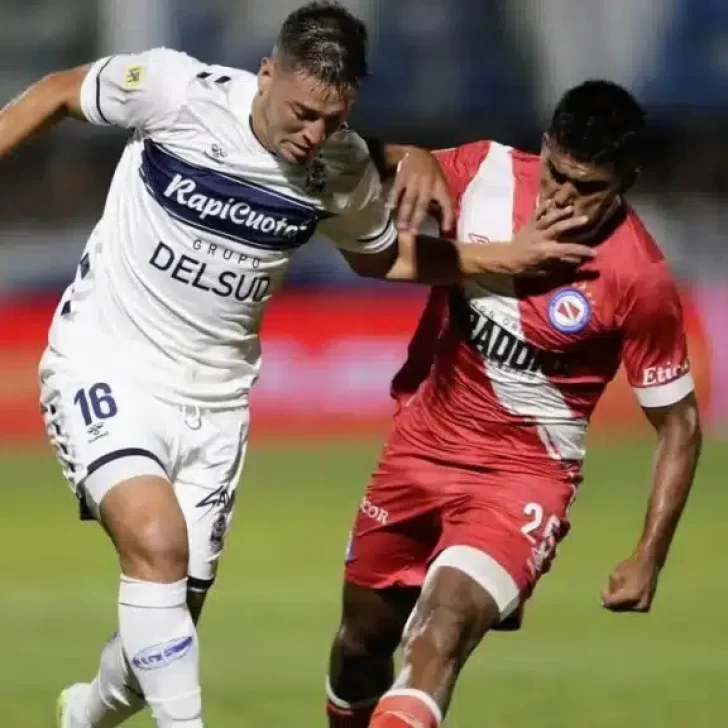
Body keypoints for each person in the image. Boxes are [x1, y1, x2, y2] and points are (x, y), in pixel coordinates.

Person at [0, 3, 595, 728]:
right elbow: (61, 89)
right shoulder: (174, 92)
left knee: (166, 619)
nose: (313, 135)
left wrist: (501, 257)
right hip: (106, 359)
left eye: (334, 119)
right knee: (155, 543)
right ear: (265, 75)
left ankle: (84, 714)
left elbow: (382, 257)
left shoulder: (335, 166)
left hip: (215, 403)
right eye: (303, 112)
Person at [325, 80, 703, 728]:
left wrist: (650, 553)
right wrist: (404, 153)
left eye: (589, 187)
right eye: (559, 174)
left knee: (437, 634)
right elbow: (348, 160)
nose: (565, 196)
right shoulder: (486, 173)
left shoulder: (638, 276)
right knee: (360, 648)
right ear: (547, 147)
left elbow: (679, 424)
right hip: (419, 451)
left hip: (522, 480)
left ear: (627, 180)